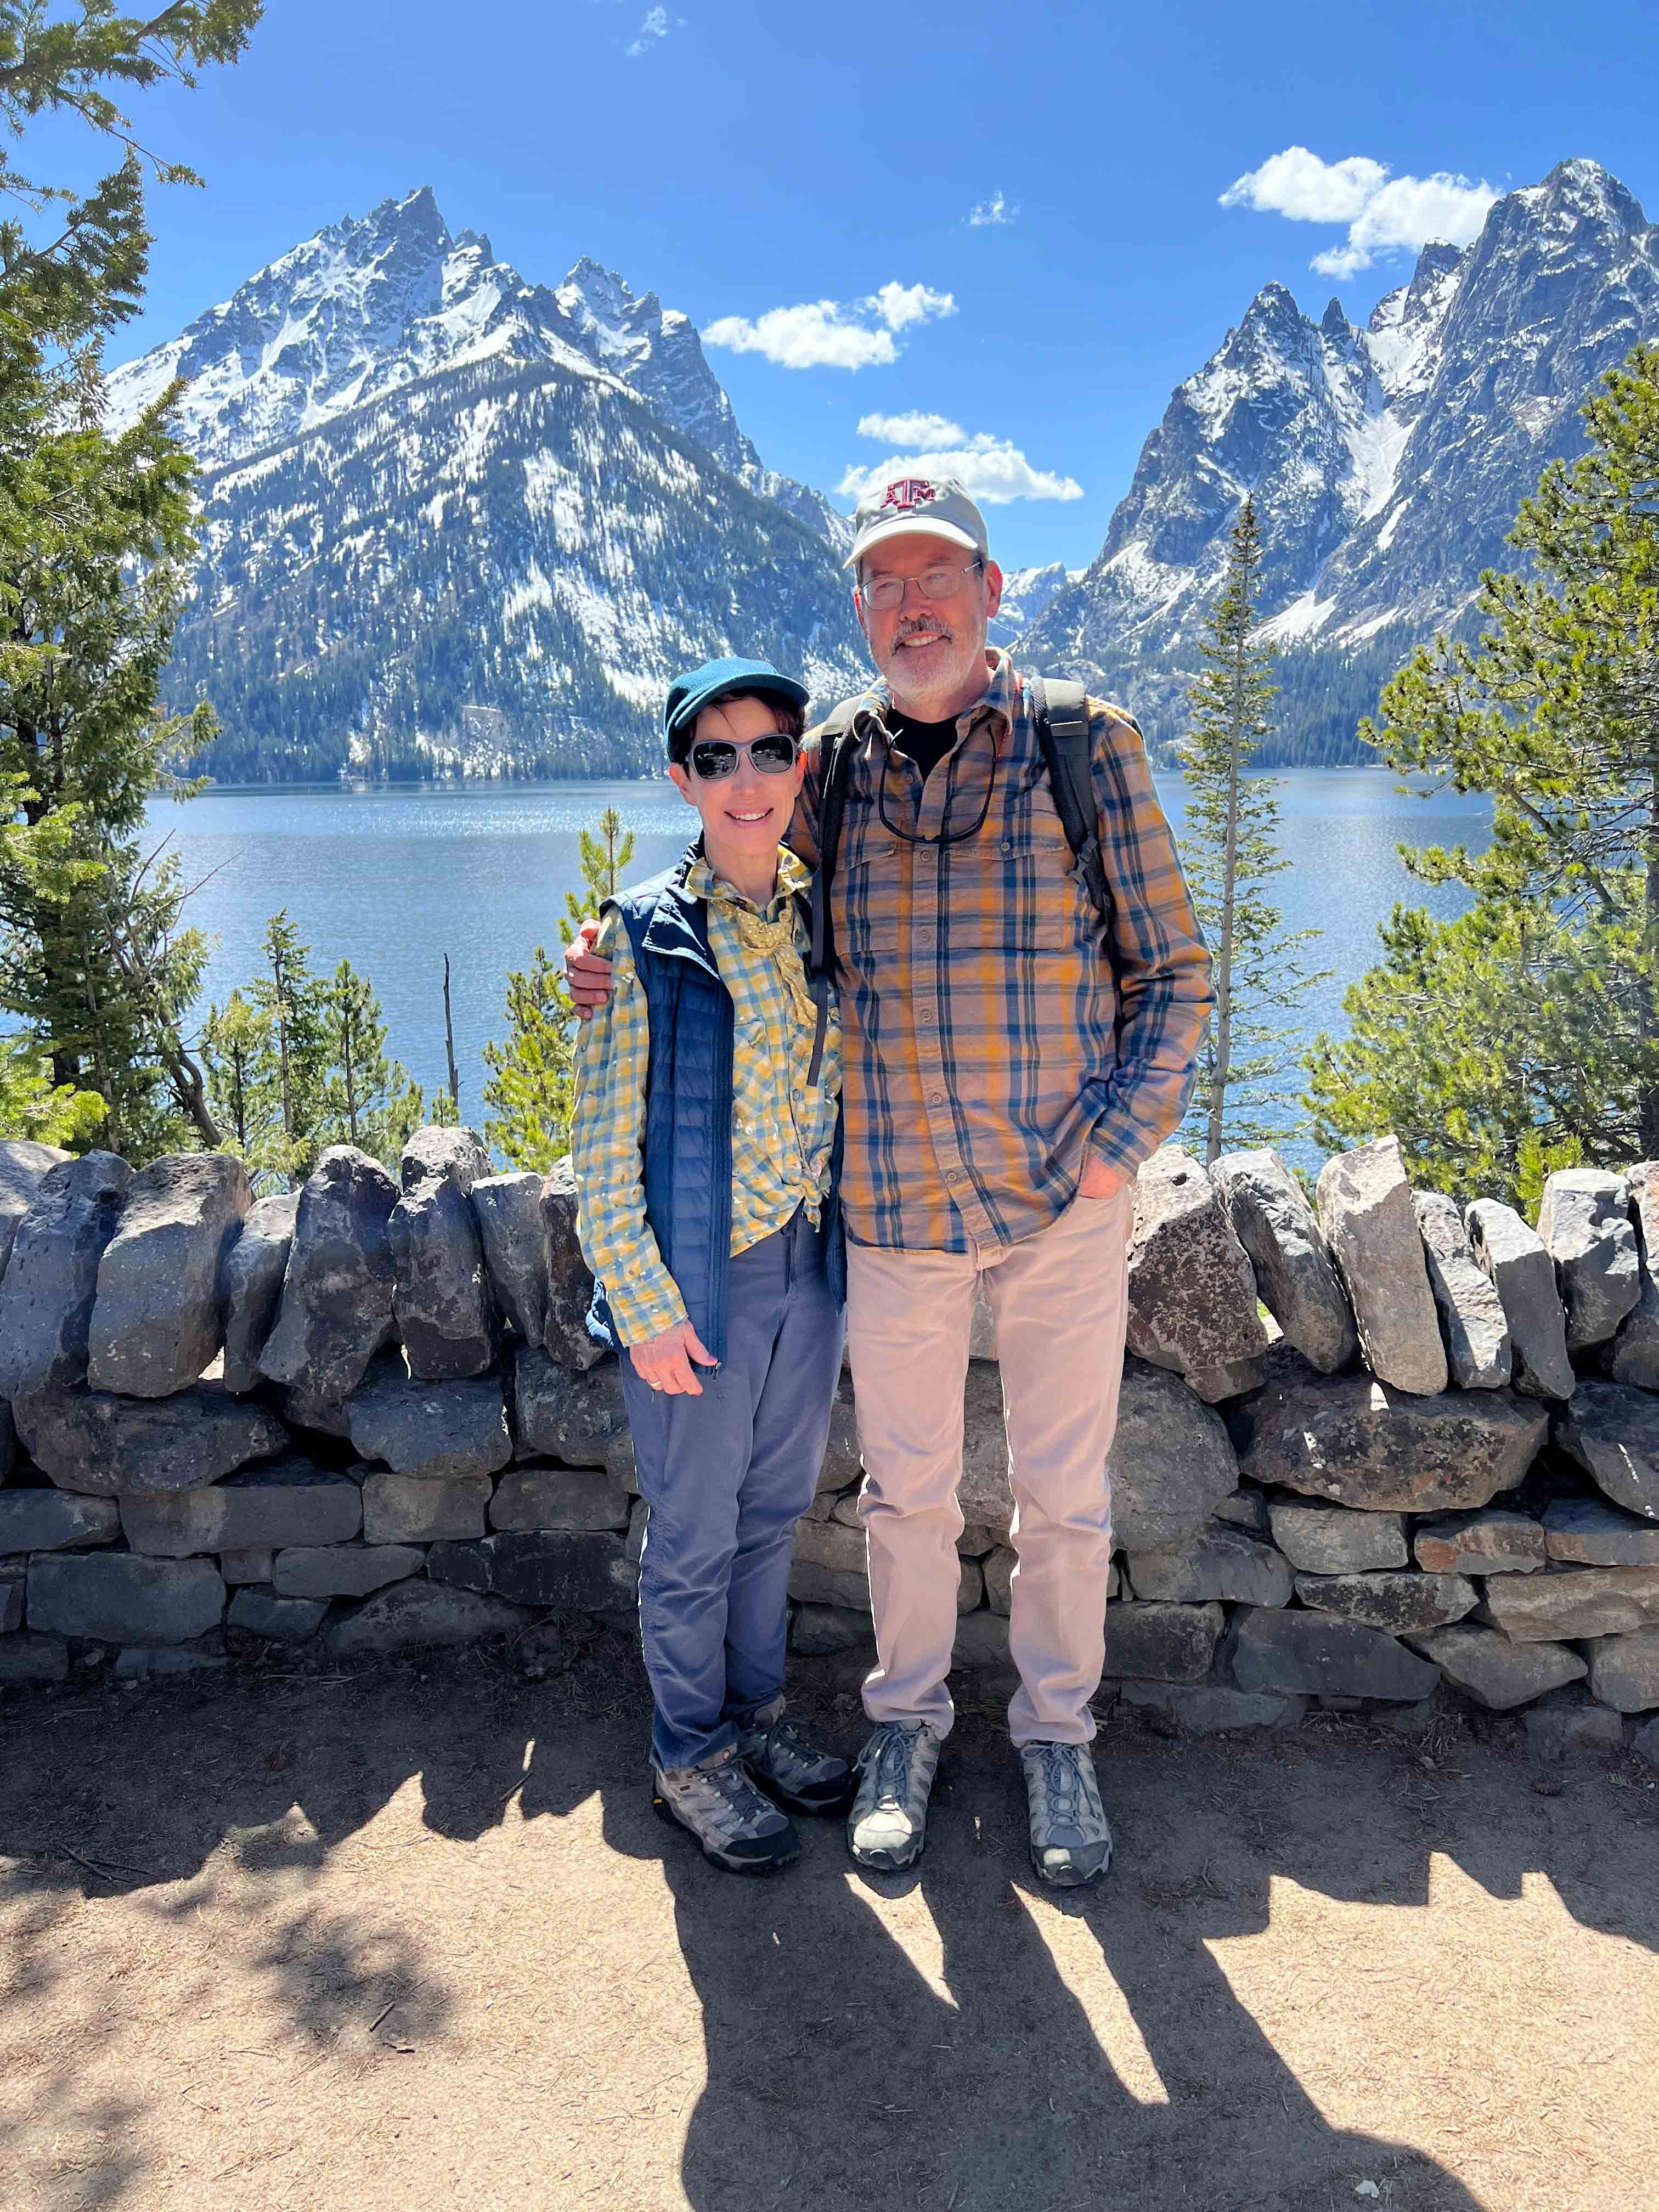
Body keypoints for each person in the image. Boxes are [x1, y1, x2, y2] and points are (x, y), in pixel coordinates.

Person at [569, 483, 1212, 1888]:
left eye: (936, 578)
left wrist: (1114, 1150)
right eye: (882, 585)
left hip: (1062, 1203)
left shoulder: (1082, 744)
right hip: (897, 1213)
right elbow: (737, 896)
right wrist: (610, 954)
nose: (910, 607)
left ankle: (1058, 1738)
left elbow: (1172, 974)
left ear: (991, 590)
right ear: (861, 609)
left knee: (1065, 1497)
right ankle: (904, 1727)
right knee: (904, 1497)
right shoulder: (839, 767)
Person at [569, 655, 853, 1876]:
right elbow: (599, 1152)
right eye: (715, 757)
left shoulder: (817, 912)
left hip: (810, 1273)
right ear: (681, 779)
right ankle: (687, 1754)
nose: (746, 779)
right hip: (698, 1285)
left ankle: (754, 1718)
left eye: (769, 752)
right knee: (692, 1532)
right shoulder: (637, 937)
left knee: (771, 1515)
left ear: (800, 766)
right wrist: (643, 1310)